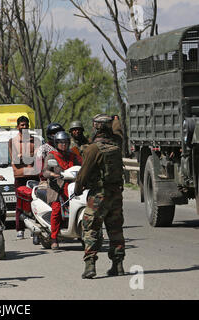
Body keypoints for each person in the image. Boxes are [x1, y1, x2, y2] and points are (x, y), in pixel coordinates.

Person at [74, 114, 126, 279]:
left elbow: (83, 174)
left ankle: (90, 266)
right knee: (115, 229)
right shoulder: (117, 143)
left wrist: (77, 188)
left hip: (98, 196)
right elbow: (118, 130)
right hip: (116, 195)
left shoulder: (93, 149)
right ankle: (118, 265)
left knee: (91, 229)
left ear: (95, 127)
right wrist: (115, 119)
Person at [42, 131, 82, 250]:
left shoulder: (72, 155)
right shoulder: (51, 155)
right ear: (56, 143)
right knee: (56, 210)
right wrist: (54, 174)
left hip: (72, 187)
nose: (63, 145)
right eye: (60, 142)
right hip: (57, 188)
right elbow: (45, 171)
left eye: (65, 142)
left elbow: (81, 165)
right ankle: (54, 238)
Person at [8, 116, 41, 239]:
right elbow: (16, 160)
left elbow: (39, 157)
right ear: (18, 127)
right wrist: (30, 156)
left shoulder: (36, 140)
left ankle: (36, 228)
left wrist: (25, 156)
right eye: (22, 125)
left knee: (35, 203)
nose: (25, 127)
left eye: (26, 125)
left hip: (34, 175)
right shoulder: (12, 141)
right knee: (20, 204)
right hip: (20, 176)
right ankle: (20, 229)